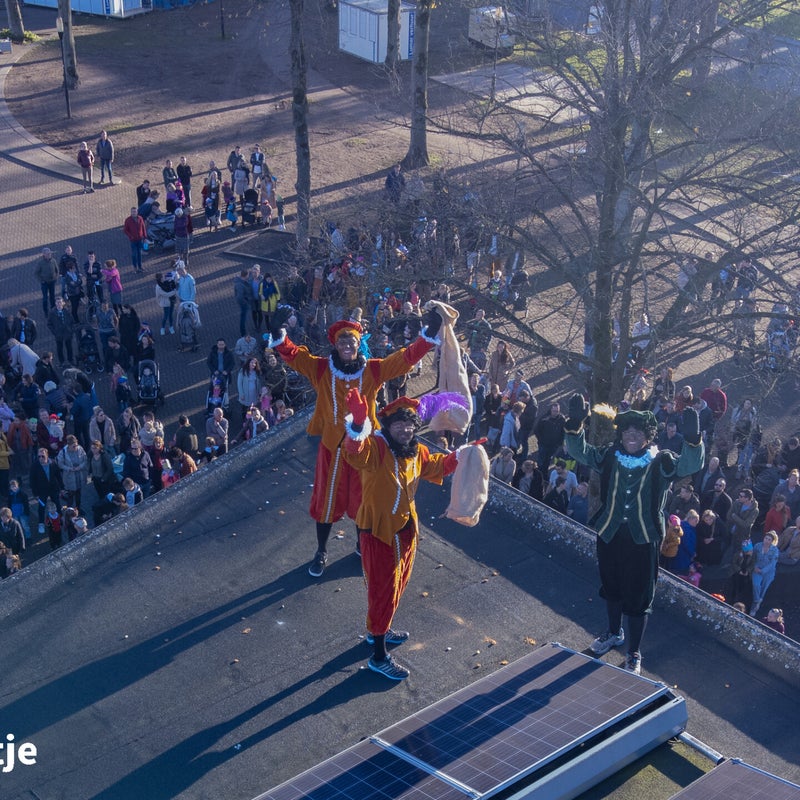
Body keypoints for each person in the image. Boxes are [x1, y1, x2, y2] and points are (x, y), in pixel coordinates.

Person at [270, 311, 440, 578]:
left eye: (351, 342)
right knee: (326, 500)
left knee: (365, 499)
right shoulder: (322, 368)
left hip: (365, 447)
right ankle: (321, 551)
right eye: (342, 343)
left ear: (358, 344)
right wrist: (281, 338)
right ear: (335, 346)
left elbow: (404, 360)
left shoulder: (373, 369)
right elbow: (296, 358)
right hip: (332, 449)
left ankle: (362, 545)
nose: (347, 347)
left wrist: (427, 336)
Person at [565, 397, 704, 675]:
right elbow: (579, 452)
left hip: (643, 539)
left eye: (638, 432)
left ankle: (633, 652)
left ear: (647, 437)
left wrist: (693, 440)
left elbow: (689, 466)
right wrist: (574, 425)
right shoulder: (609, 456)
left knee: (639, 598)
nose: (631, 435)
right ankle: (613, 633)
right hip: (611, 534)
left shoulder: (661, 461)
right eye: (627, 431)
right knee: (612, 587)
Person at [342, 391, 464, 680]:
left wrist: (462, 455)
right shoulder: (375, 446)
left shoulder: (416, 449)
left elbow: (436, 466)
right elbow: (354, 452)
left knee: (397, 586)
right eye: (399, 425)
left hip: (406, 530)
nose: (406, 429)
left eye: (410, 425)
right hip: (378, 533)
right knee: (381, 591)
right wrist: (358, 424)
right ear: (387, 426)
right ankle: (379, 656)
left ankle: (378, 632)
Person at [30, 448, 63, 534]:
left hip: (53, 488)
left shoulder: (53, 463)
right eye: (39, 456)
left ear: (47, 455)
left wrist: (61, 488)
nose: (41, 458)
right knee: (41, 507)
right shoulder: (34, 466)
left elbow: (58, 476)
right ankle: (41, 523)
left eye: (43, 456)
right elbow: (32, 481)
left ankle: (60, 519)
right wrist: (35, 494)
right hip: (42, 491)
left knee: (57, 504)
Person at [35, 247, 59, 316]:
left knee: (52, 297)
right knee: (45, 298)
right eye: (48, 254)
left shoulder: (53, 261)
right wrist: (41, 281)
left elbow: (57, 270)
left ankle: (53, 310)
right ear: (44, 254)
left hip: (52, 282)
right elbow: (36, 273)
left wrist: (56, 277)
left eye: (50, 253)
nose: (49, 255)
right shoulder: (40, 263)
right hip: (44, 283)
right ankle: (46, 312)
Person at [123, 208, 148, 274]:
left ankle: (140, 266)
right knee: (134, 254)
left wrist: (145, 237)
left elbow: (143, 227)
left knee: (139, 253)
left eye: (135, 212)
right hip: (133, 240)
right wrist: (130, 236)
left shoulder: (140, 218)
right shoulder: (128, 220)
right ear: (131, 212)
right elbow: (125, 230)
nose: (134, 213)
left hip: (140, 239)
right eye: (133, 212)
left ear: (137, 212)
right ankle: (135, 267)